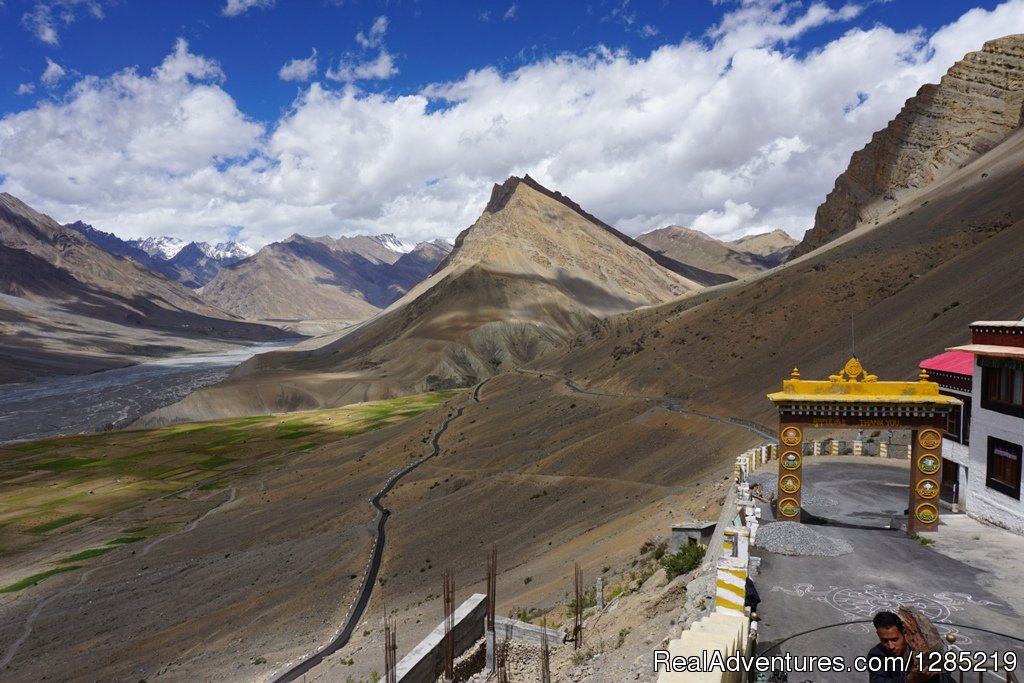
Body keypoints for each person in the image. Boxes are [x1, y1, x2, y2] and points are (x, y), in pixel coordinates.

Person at [867, 611, 953, 683]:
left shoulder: (919, 650)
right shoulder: (876, 655)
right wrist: (909, 680)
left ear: (904, 633)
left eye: (894, 640)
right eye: (885, 641)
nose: (891, 646)